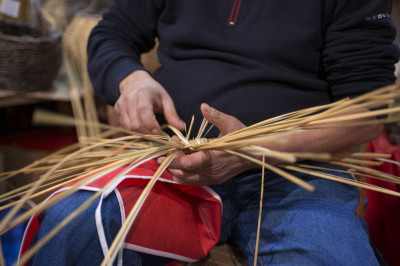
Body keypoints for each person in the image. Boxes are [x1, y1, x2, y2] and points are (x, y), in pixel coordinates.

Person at [28, 0, 399, 265]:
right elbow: (111, 34)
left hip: (295, 175)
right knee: (73, 223)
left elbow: (368, 110)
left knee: (330, 257)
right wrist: (133, 80)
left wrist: (255, 148)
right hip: (171, 163)